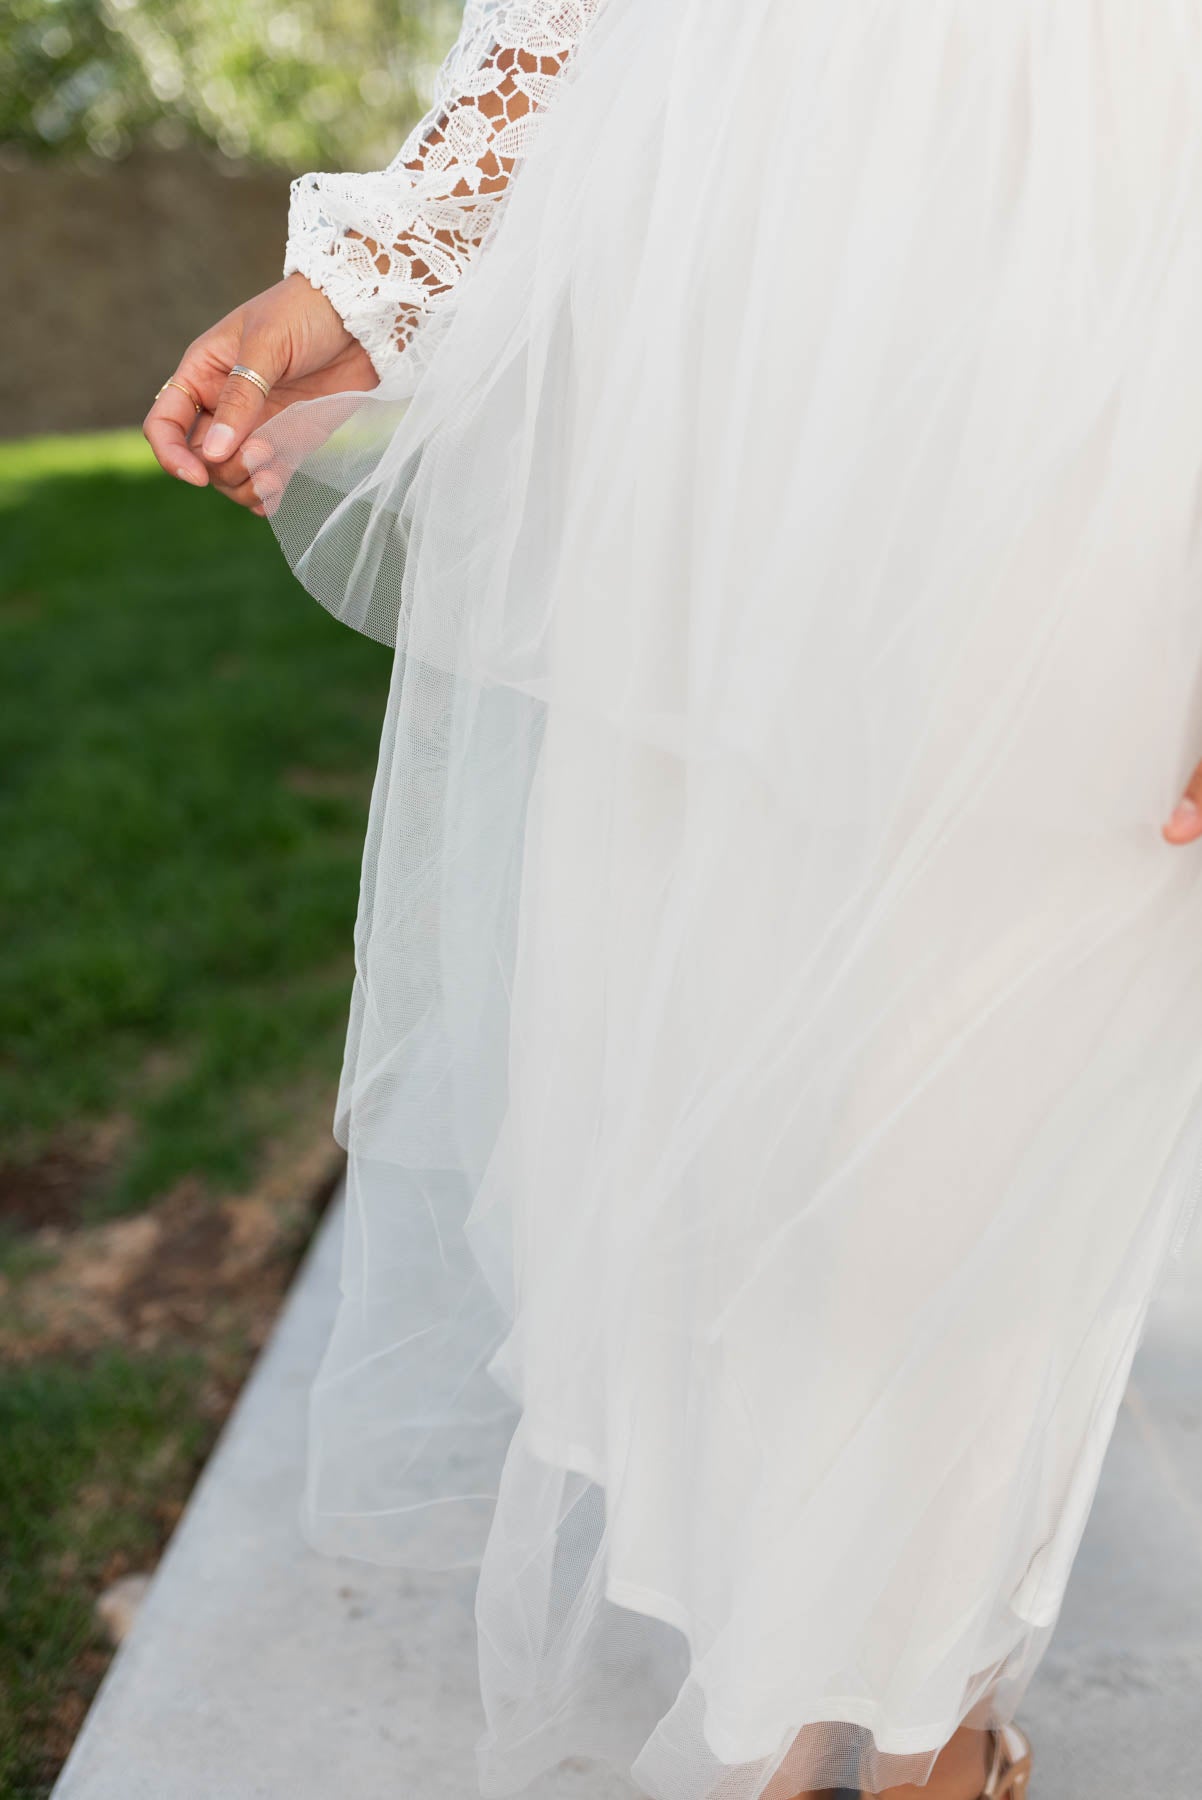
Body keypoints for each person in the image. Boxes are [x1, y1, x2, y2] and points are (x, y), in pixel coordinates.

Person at [143, 3, 1202, 1796]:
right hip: (720, 331)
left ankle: (931, 1707)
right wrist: (378, 275)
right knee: (716, 1070)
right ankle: (780, 1695)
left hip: (1105, 304)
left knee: (969, 1087)